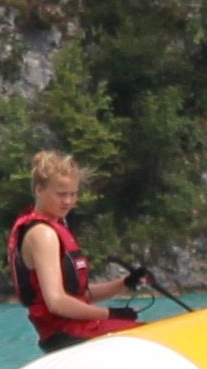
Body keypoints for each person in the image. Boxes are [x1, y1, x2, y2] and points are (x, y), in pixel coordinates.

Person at [8, 150, 148, 353]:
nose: (68, 201)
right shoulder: (42, 234)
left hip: (79, 328)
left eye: (73, 194)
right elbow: (56, 302)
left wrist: (124, 283)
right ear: (39, 190)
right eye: (61, 194)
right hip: (67, 334)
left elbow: (80, 295)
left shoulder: (55, 226)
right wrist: (111, 314)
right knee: (149, 336)